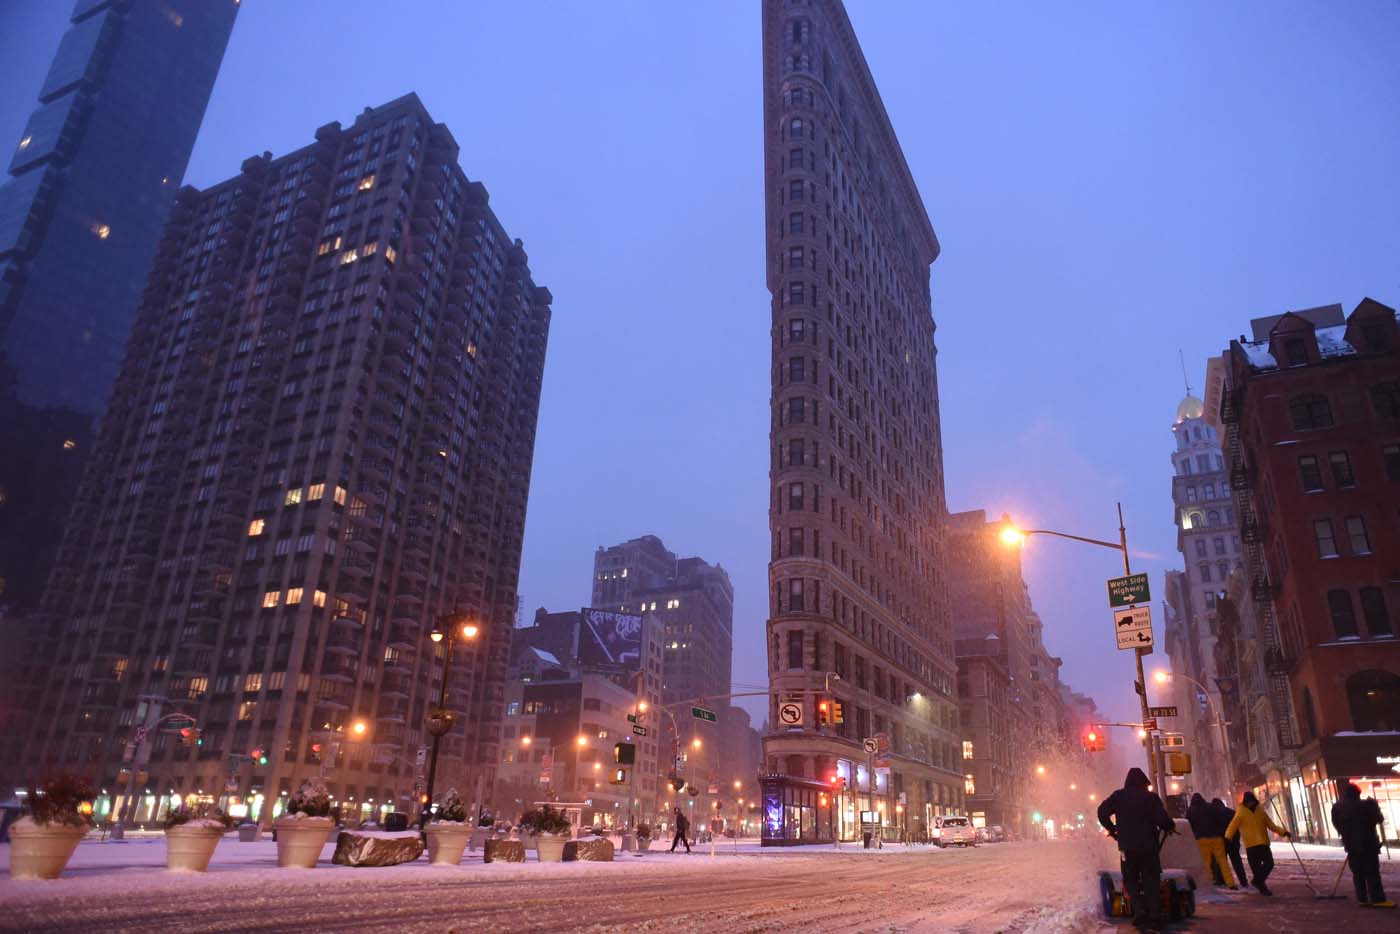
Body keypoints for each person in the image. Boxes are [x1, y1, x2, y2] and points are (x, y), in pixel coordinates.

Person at [1099, 768, 1176, 931]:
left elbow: (1101, 812)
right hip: (1149, 847)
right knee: (1151, 879)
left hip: (1127, 848)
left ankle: (1140, 912)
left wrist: (1112, 829)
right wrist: (1169, 826)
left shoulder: (1118, 796)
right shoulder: (1150, 798)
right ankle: (1154, 916)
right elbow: (1162, 819)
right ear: (1144, 782)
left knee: (1130, 879)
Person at [1331, 781, 1394, 909]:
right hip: (1368, 844)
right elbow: (1379, 819)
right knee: (1372, 873)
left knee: (1358, 873)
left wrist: (1346, 835)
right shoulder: (1365, 805)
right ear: (1358, 793)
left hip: (1351, 846)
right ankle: (1377, 899)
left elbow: (1336, 824)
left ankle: (1362, 899)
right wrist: (1374, 805)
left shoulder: (1337, 807)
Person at [1224, 791, 1289, 896]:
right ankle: (1263, 888)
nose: (1250, 804)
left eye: (1252, 802)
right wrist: (1228, 837)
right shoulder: (1241, 812)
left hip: (1263, 843)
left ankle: (1257, 881)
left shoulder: (1260, 811)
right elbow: (1232, 826)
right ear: (1245, 802)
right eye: (1248, 802)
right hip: (1251, 845)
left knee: (1269, 864)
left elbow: (1270, 825)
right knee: (1256, 868)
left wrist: (1283, 832)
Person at [1186, 793, 1237, 889]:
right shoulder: (1210, 807)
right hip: (1216, 838)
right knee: (1222, 861)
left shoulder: (1190, 810)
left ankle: (1210, 884)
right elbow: (1221, 818)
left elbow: (1188, 825)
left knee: (1206, 863)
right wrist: (1220, 831)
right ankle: (1231, 883)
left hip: (1201, 839)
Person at [1210, 797, 1249, 889]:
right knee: (1236, 861)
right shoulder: (1231, 812)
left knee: (1221, 862)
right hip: (1233, 840)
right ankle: (1243, 881)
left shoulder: (1213, 815)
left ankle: (1221, 880)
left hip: (1221, 841)